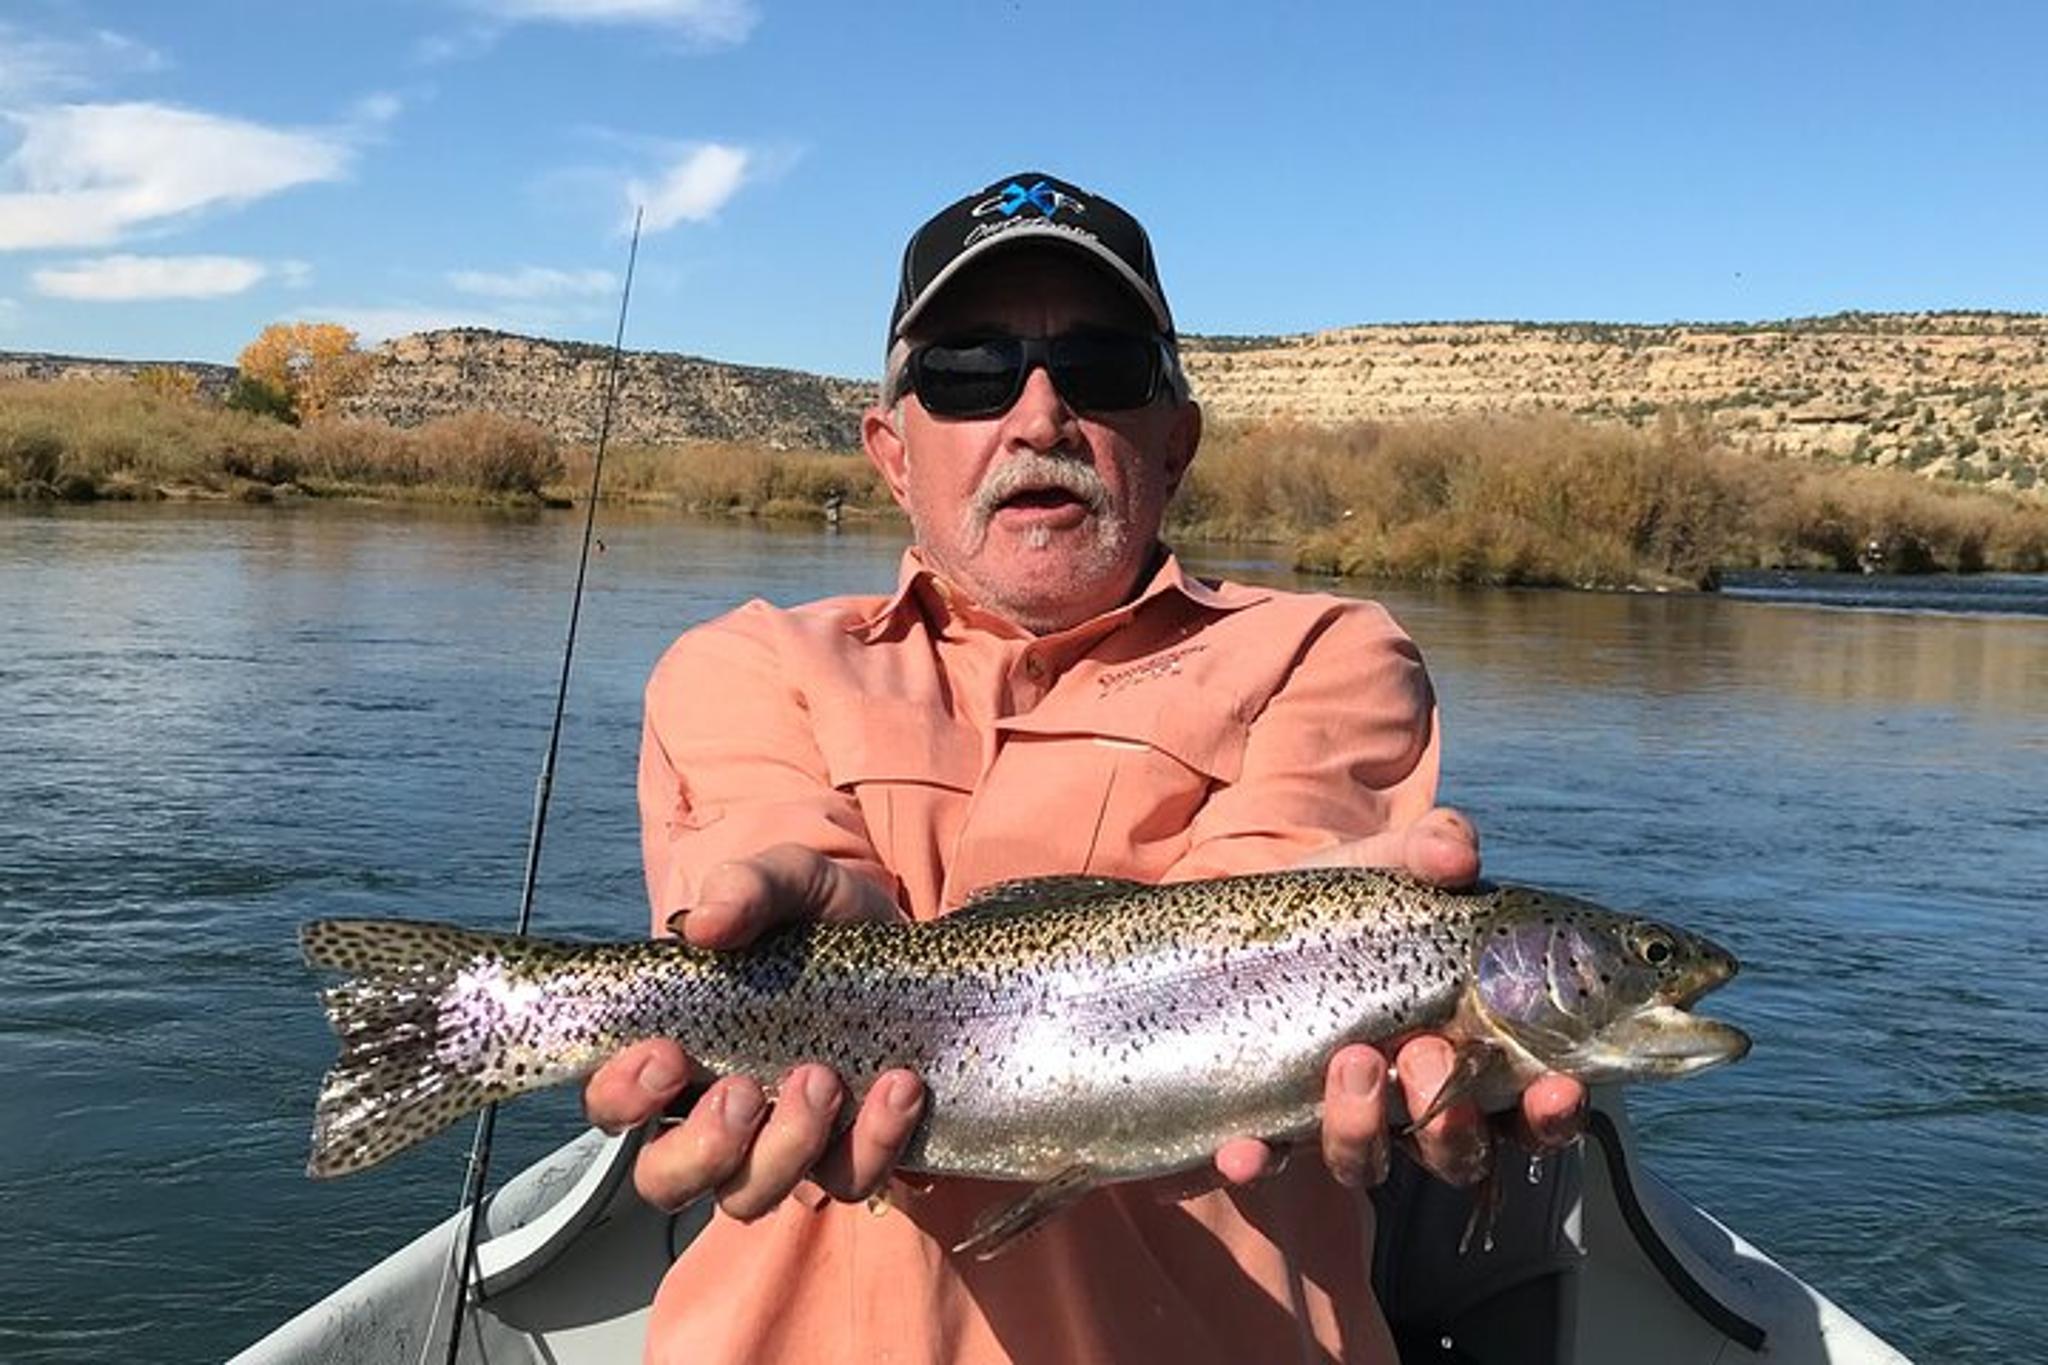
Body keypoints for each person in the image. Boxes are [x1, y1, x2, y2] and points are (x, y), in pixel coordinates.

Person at [584, 171, 1586, 1364]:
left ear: (1176, 440)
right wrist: (796, 923)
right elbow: (766, 861)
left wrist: (1383, 971)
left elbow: (1255, 933)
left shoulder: (1326, 651)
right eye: (968, 372)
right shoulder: (748, 660)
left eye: (1102, 368)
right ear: (889, 452)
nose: (1040, 415)